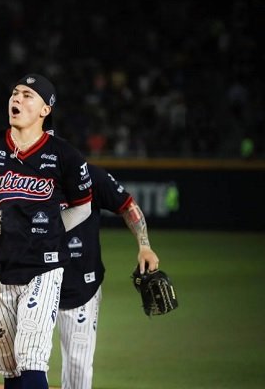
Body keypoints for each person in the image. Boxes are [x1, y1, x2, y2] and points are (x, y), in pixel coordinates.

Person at [0, 73, 93, 389]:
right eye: (15, 93)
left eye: (28, 95)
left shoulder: (65, 155)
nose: (17, 98)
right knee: (10, 367)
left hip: (43, 268)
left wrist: (50, 232)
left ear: (45, 110)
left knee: (31, 358)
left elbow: (83, 206)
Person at [57, 164, 160, 389]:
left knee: (78, 367)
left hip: (81, 282)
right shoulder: (25, 173)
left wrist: (144, 245)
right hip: (32, 278)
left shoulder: (88, 174)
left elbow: (127, 205)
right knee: (26, 360)